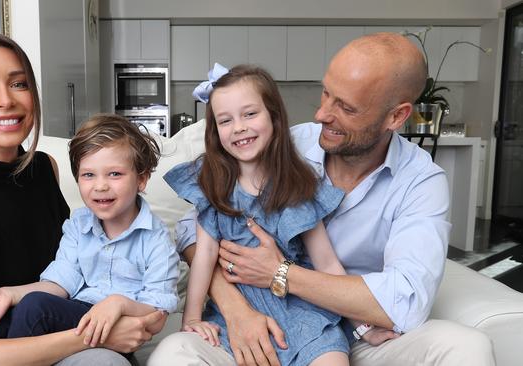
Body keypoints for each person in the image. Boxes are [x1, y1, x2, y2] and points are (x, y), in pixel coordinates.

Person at [150, 32, 495, 366]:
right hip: (247, 320)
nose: (321, 114)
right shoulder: (285, 147)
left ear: (396, 116)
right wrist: (233, 306)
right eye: (326, 94)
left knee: (466, 347)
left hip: (341, 328)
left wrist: (279, 272)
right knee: (176, 352)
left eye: (345, 106)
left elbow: (404, 302)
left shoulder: (421, 182)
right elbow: (190, 232)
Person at [0, 32, 166, 366]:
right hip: (1, 355)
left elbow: (68, 272)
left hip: (61, 326)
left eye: (19, 83)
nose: (5, 99)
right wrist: (97, 333)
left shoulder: (44, 168)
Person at [162, 63, 354, 366]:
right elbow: (204, 256)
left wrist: (364, 325)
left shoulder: (299, 185)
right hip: (237, 315)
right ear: (215, 132)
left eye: (250, 114)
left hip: (302, 311)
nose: (239, 127)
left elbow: (328, 263)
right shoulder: (213, 188)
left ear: (275, 118)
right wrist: (192, 318)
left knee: (333, 360)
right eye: (225, 120)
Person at [0, 114, 180, 357]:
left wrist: (118, 303)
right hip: (73, 314)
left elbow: (158, 313)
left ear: (142, 179)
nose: (100, 185)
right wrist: (8, 294)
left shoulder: (156, 240)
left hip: (115, 327)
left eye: (114, 174)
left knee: (34, 308)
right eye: (88, 175)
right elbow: (60, 282)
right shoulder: (78, 225)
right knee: (6, 319)